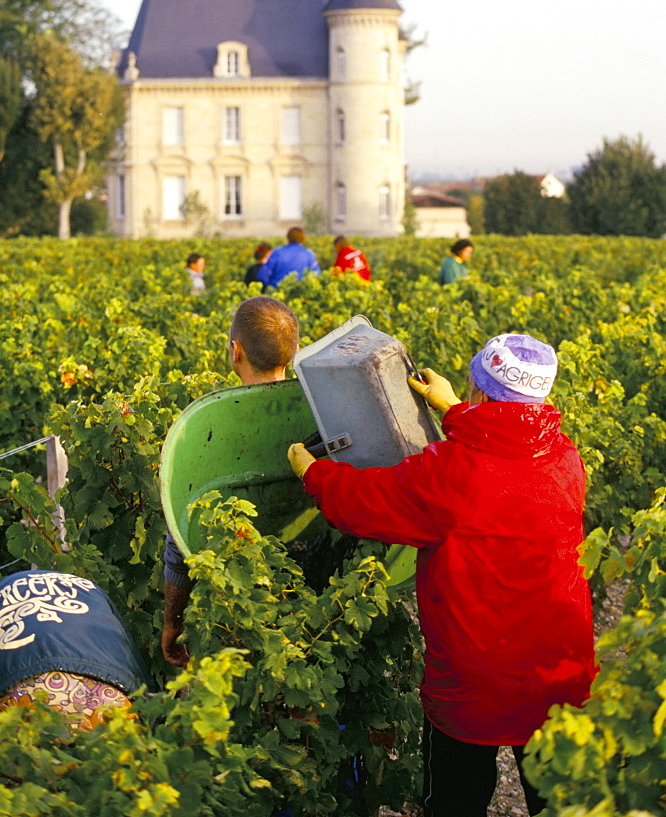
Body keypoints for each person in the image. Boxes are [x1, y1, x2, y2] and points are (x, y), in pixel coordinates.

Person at [287, 333, 596, 817]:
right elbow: (506, 442)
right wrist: (452, 409)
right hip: (558, 668)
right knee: (560, 801)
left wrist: (313, 474)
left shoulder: (450, 473)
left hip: (475, 680)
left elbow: (369, 501)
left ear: (478, 390)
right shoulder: (565, 457)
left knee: (455, 801)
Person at [162, 297, 300, 666]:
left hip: (229, 605)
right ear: (292, 354)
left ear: (234, 351)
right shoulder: (316, 409)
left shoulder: (211, 426)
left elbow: (180, 541)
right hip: (306, 590)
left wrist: (171, 624)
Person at [0, 569, 152, 730]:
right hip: (105, 690)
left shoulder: (4, 591)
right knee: (116, 751)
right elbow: (131, 655)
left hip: (26, 691)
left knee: (26, 752)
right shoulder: (93, 592)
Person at [256, 227, 320, 290]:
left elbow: (263, 275)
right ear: (303, 238)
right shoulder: (309, 254)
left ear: (288, 237)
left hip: (277, 294)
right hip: (301, 294)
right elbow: (316, 275)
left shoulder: (277, 252)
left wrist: (272, 287)